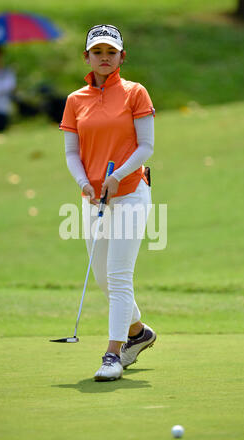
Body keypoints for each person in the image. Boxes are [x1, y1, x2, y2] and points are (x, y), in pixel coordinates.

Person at [59, 24, 156, 381]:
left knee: (118, 275)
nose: (104, 58)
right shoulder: (75, 100)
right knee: (103, 278)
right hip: (93, 198)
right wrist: (84, 182)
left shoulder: (135, 93)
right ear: (87, 57)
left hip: (130, 192)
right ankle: (138, 333)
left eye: (110, 52)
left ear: (121, 57)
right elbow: (72, 152)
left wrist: (118, 176)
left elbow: (146, 145)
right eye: (97, 52)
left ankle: (112, 355)